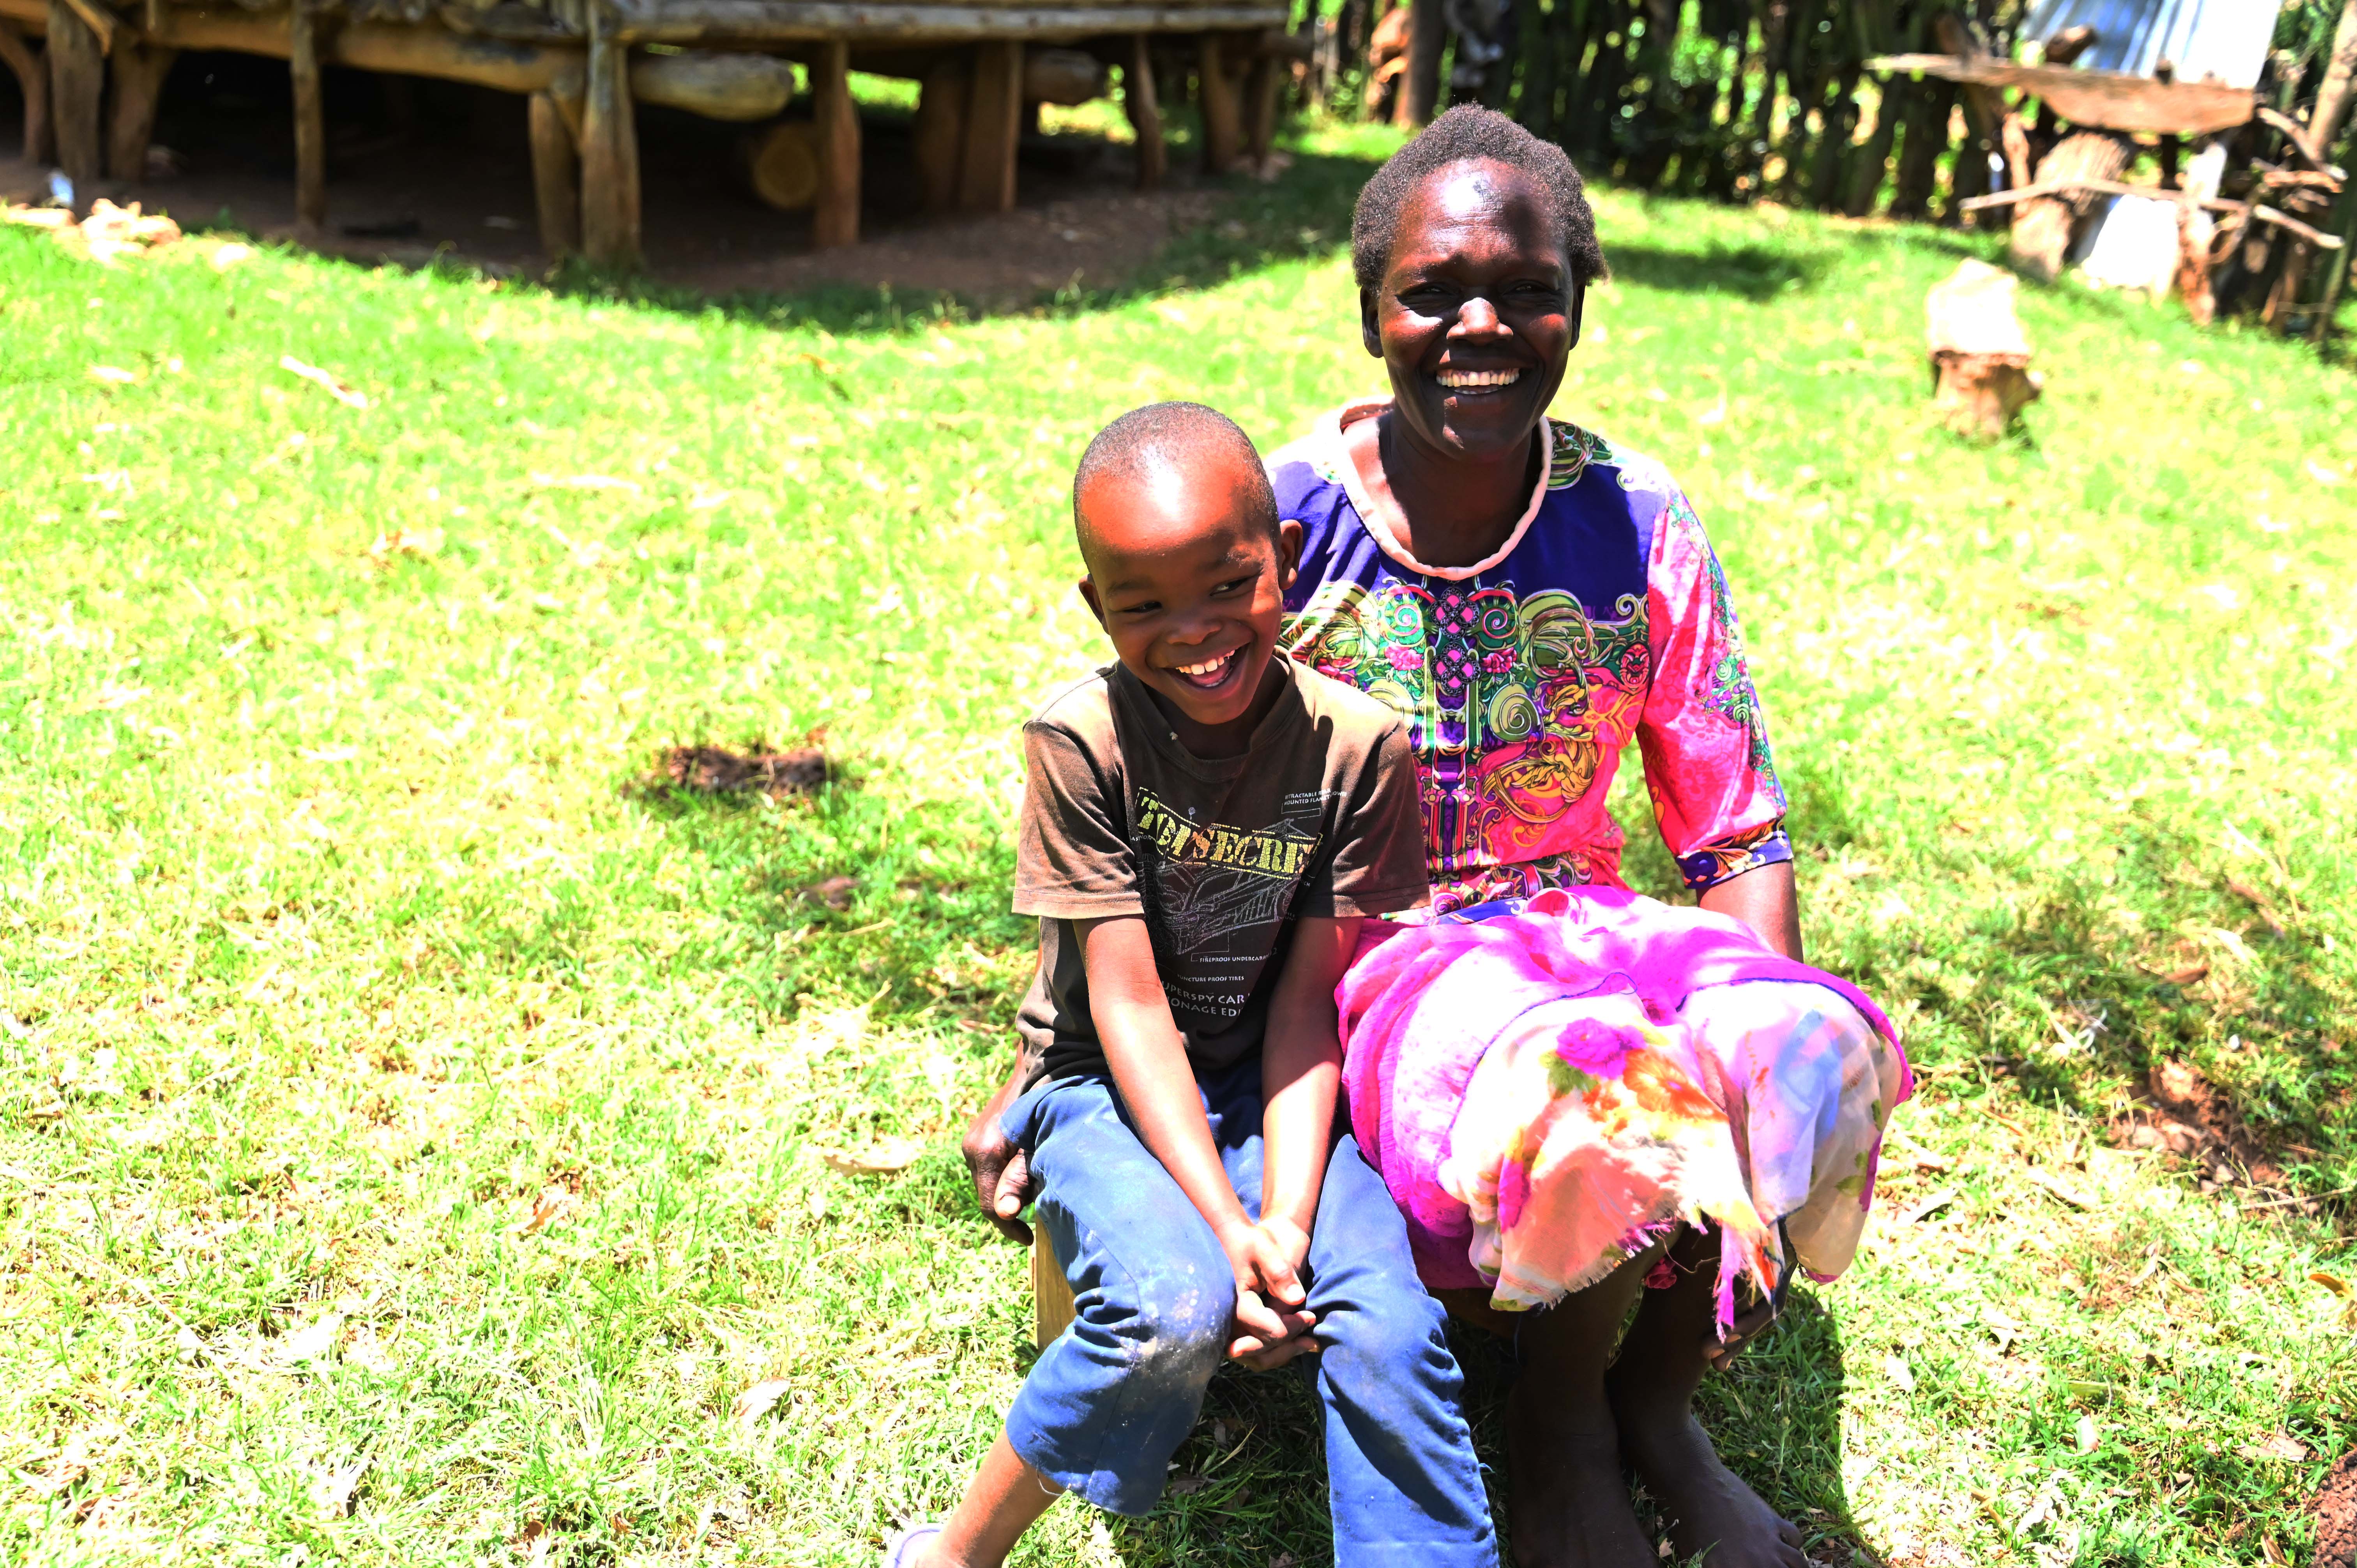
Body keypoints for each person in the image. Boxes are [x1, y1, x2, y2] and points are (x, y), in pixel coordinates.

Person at [1259, 106, 1911, 1568]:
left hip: (1591, 930)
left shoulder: (1636, 515)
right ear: (1375, 312)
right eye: (1434, 291)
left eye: (1527, 288)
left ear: (1578, 305)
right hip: (1399, 969)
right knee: (1607, 1088)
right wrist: (1071, 1047)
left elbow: (1733, 823)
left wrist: (1769, 1070)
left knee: (1807, 1046)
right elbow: (1171, 804)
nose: (1479, 323)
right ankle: (1559, 1444)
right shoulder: (1288, 521)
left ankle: (1658, 1403)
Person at [908, 403, 1499, 1568]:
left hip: (1274, 1088)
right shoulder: (1085, 743)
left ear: (1282, 554)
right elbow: (1122, 1009)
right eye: (1146, 606)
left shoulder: (1359, 747)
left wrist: (1282, 1217)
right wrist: (1228, 1235)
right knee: (1172, 1306)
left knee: (1388, 1325)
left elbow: (1303, 1005)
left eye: (1230, 584)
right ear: (1098, 609)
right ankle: (958, 1550)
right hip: (1100, 1087)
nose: (1198, 631)